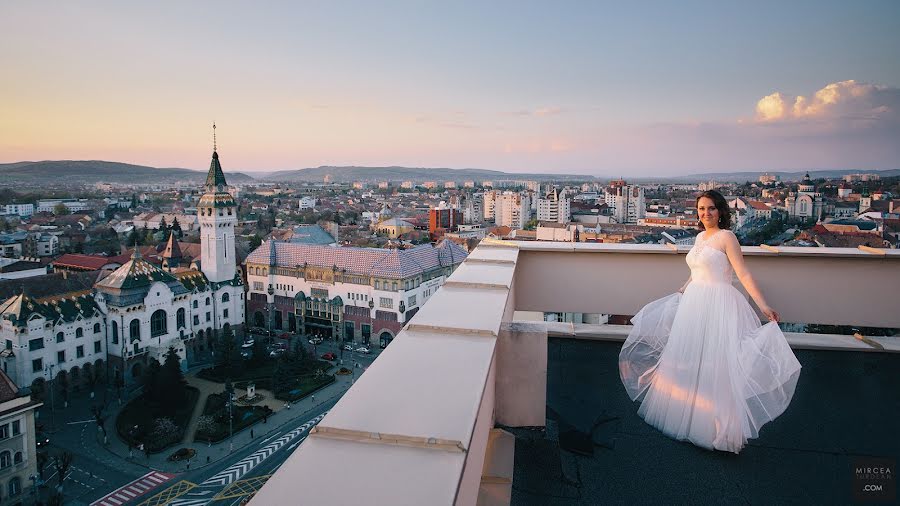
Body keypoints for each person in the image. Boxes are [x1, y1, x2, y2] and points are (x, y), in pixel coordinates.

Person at [619, 190, 801, 454]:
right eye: (702, 209)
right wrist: (683, 289)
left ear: (721, 211)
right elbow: (698, 271)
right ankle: (688, 417)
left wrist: (763, 306)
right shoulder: (700, 237)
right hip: (695, 302)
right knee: (691, 360)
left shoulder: (727, 237)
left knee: (717, 365)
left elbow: (743, 273)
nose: (706, 213)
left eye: (711, 209)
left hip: (718, 304)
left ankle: (716, 428)